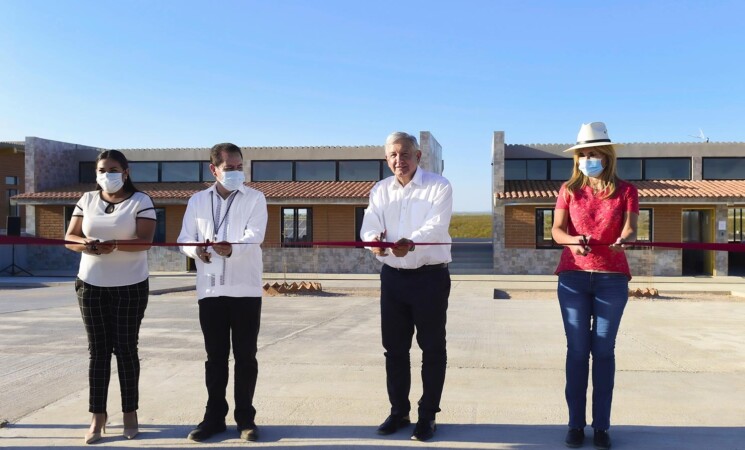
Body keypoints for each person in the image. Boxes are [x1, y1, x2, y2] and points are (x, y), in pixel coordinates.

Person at [360, 131, 453, 442]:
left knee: (432, 349)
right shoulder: (380, 190)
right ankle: (399, 411)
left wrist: (410, 243)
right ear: (387, 159)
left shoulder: (439, 186)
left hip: (430, 278)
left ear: (418, 156)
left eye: (405, 154)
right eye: (393, 155)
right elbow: (370, 225)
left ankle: (428, 416)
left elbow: (436, 226)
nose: (399, 160)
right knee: (395, 350)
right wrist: (374, 243)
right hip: (393, 278)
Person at [551, 122, 639, 450]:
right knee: (577, 351)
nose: (587, 158)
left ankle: (602, 426)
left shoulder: (627, 190)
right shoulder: (568, 190)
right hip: (573, 277)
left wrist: (623, 240)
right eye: (582, 154)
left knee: (603, 351)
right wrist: (573, 242)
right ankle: (575, 425)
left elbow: (630, 229)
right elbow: (557, 231)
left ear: (607, 155)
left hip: (612, 279)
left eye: (593, 153)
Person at [64, 150, 156, 444]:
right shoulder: (87, 200)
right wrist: (86, 245)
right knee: (98, 352)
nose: (107, 174)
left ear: (126, 172)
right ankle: (97, 416)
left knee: (126, 350)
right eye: (102, 170)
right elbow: (70, 237)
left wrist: (114, 244)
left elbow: (145, 241)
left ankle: (130, 413)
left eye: (113, 169)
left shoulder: (141, 201)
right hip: (91, 284)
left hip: (130, 285)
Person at [178, 142, 267, 442]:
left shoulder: (255, 198)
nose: (236, 173)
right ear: (213, 169)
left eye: (240, 167)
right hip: (211, 290)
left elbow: (254, 237)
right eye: (229, 169)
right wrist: (196, 251)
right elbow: (184, 239)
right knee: (215, 357)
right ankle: (213, 418)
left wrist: (230, 249)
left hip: (245, 289)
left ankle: (245, 419)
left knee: (246, 357)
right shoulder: (197, 201)